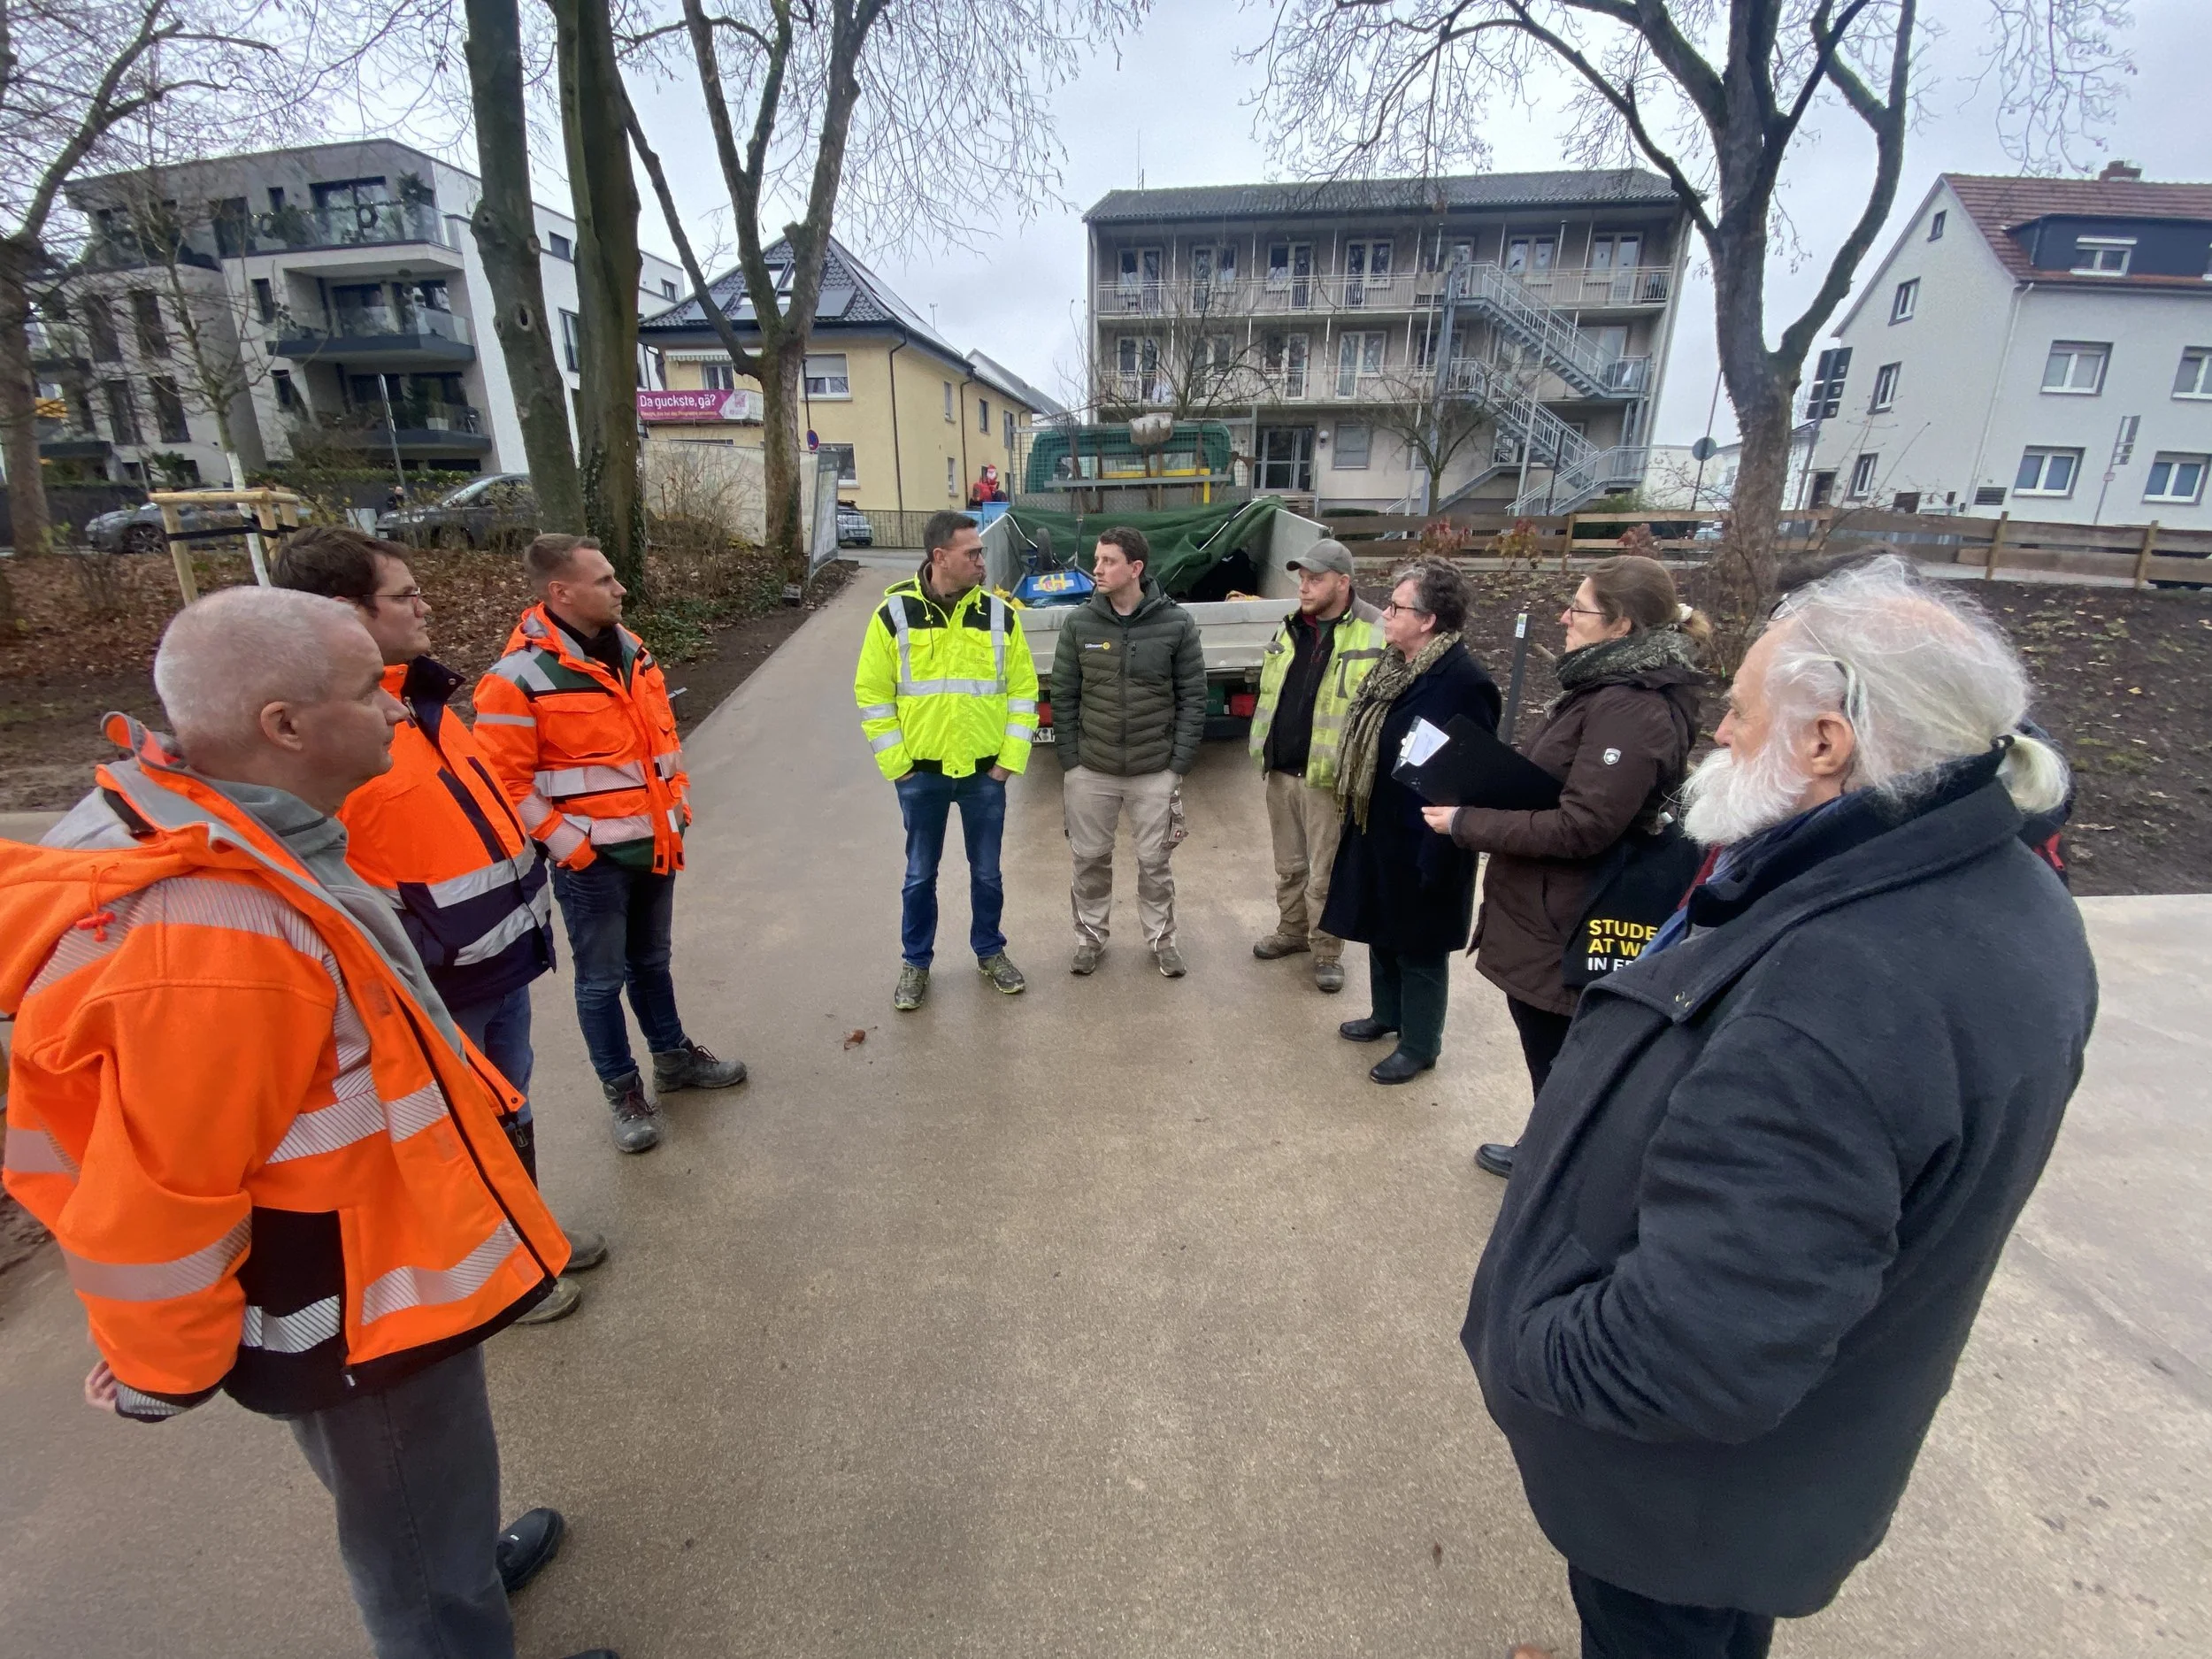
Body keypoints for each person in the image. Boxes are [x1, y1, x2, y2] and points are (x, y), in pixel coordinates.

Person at [1463, 557, 2095, 1659]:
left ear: (1823, 743)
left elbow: (1691, 1356)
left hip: (1675, 1497)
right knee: (1710, 1620)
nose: (1715, 735)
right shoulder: (2005, 891)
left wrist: (1524, 1344)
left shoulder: (1834, 999)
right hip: (1784, 1470)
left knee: (1662, 1629)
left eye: (1741, 713)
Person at [2, 587, 615, 1659]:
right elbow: (158, 1189)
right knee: (404, 1523)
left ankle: (454, 1572)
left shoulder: (226, 831)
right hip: (354, 1301)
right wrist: (158, 1367)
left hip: (369, 1265)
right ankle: (443, 1611)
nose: (394, 709)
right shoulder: (214, 933)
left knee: (424, 1501)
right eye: (365, 690)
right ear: (281, 726)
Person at [273, 527, 603, 1326]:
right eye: (405, 595)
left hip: (499, 955)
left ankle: (525, 1231)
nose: (425, 605)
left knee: (506, 1105)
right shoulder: (328, 731)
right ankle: (497, 1276)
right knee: (448, 1130)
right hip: (432, 981)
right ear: (346, 613)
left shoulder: (421, 702)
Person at [1423, 555, 1707, 1179]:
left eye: (1577, 608)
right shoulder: (1603, 686)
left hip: (1574, 913)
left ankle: (1563, 1171)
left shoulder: (1632, 708)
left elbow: (1586, 825)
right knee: (1553, 1053)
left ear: (1622, 624)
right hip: (1548, 906)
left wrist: (1469, 822)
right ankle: (1551, 1151)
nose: (1563, 617)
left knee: (1566, 1054)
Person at [473, 534, 746, 1154]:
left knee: (652, 963)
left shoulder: (634, 654)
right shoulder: (515, 680)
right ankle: (622, 1091)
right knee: (600, 981)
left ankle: (673, 1059)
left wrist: (677, 805)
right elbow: (503, 781)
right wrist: (571, 845)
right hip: (591, 863)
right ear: (559, 592)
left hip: (654, 846)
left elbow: (662, 746)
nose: (620, 589)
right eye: (604, 580)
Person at [1321, 557, 1500, 1083]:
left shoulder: (1463, 680)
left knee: (1418, 940)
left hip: (1427, 832)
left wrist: (1445, 838)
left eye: (1397, 607)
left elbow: (1471, 769)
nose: (1386, 615)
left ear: (1427, 620)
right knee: (1380, 923)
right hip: (1378, 820)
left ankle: (1420, 1044)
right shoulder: (1394, 667)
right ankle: (1387, 1014)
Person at [854, 509, 1038, 1010]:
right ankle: (916, 962)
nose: (982, 560)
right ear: (940, 557)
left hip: (984, 774)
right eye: (972, 553)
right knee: (920, 875)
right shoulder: (893, 615)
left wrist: (1007, 763)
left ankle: (990, 952)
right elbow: (872, 695)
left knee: (987, 874)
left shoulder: (1000, 615)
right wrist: (900, 767)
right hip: (922, 776)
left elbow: (1024, 691)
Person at [1050, 525, 1204, 978]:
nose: (1097, 569)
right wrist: (1071, 761)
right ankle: (1090, 939)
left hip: (1153, 769)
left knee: (1155, 863)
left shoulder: (1176, 623)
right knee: (1090, 861)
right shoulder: (1079, 623)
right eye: (1097, 559)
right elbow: (1063, 695)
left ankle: (1162, 941)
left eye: (1108, 561)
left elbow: (1193, 696)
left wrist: (1178, 764)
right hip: (1091, 770)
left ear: (1135, 568)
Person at [1248, 537, 1385, 995]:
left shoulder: (1375, 629)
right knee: (1289, 865)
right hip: (1282, 769)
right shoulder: (1289, 628)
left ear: (1343, 582)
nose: (1304, 588)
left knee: (1325, 871)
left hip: (1330, 778)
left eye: (1316, 579)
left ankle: (1327, 950)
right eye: (1302, 579)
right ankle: (1292, 932)